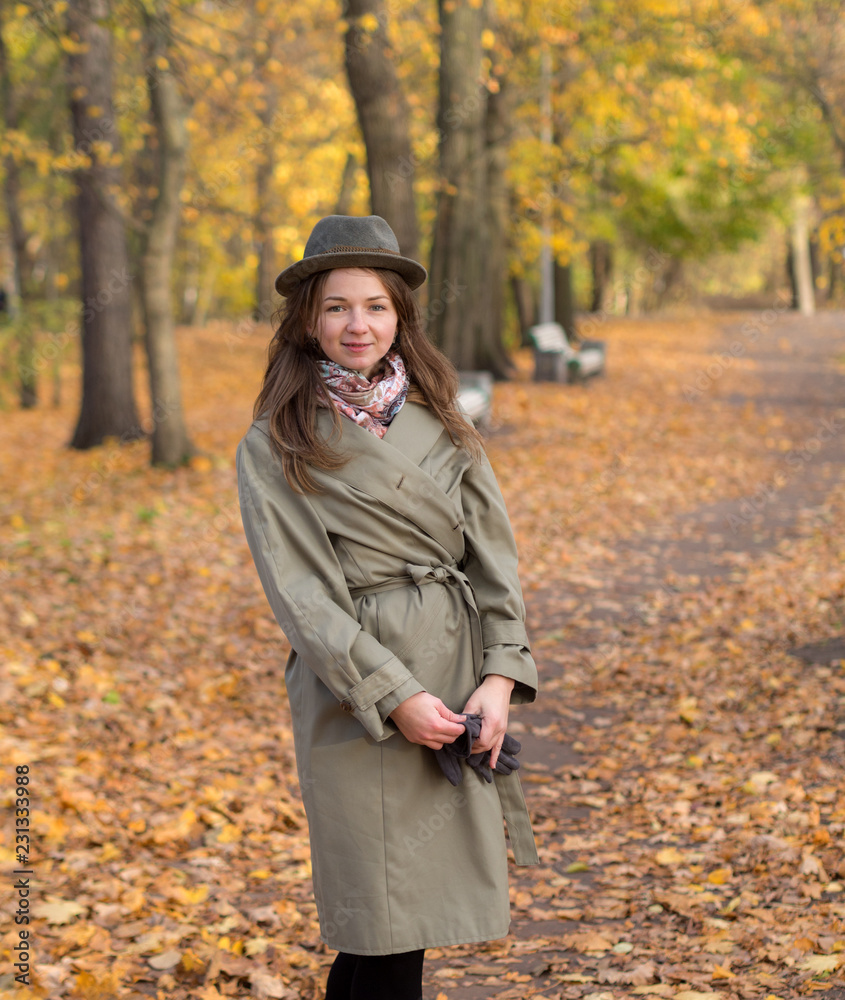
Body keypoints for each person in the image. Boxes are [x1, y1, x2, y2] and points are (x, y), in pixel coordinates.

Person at [236, 215, 539, 1000]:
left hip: (456, 670)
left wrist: (500, 678)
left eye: (375, 305)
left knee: (413, 930)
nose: (357, 324)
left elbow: (493, 560)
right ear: (306, 320)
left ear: (399, 317)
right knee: (377, 921)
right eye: (336, 307)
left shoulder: (445, 421)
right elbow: (303, 596)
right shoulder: (278, 440)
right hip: (357, 694)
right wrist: (394, 696)